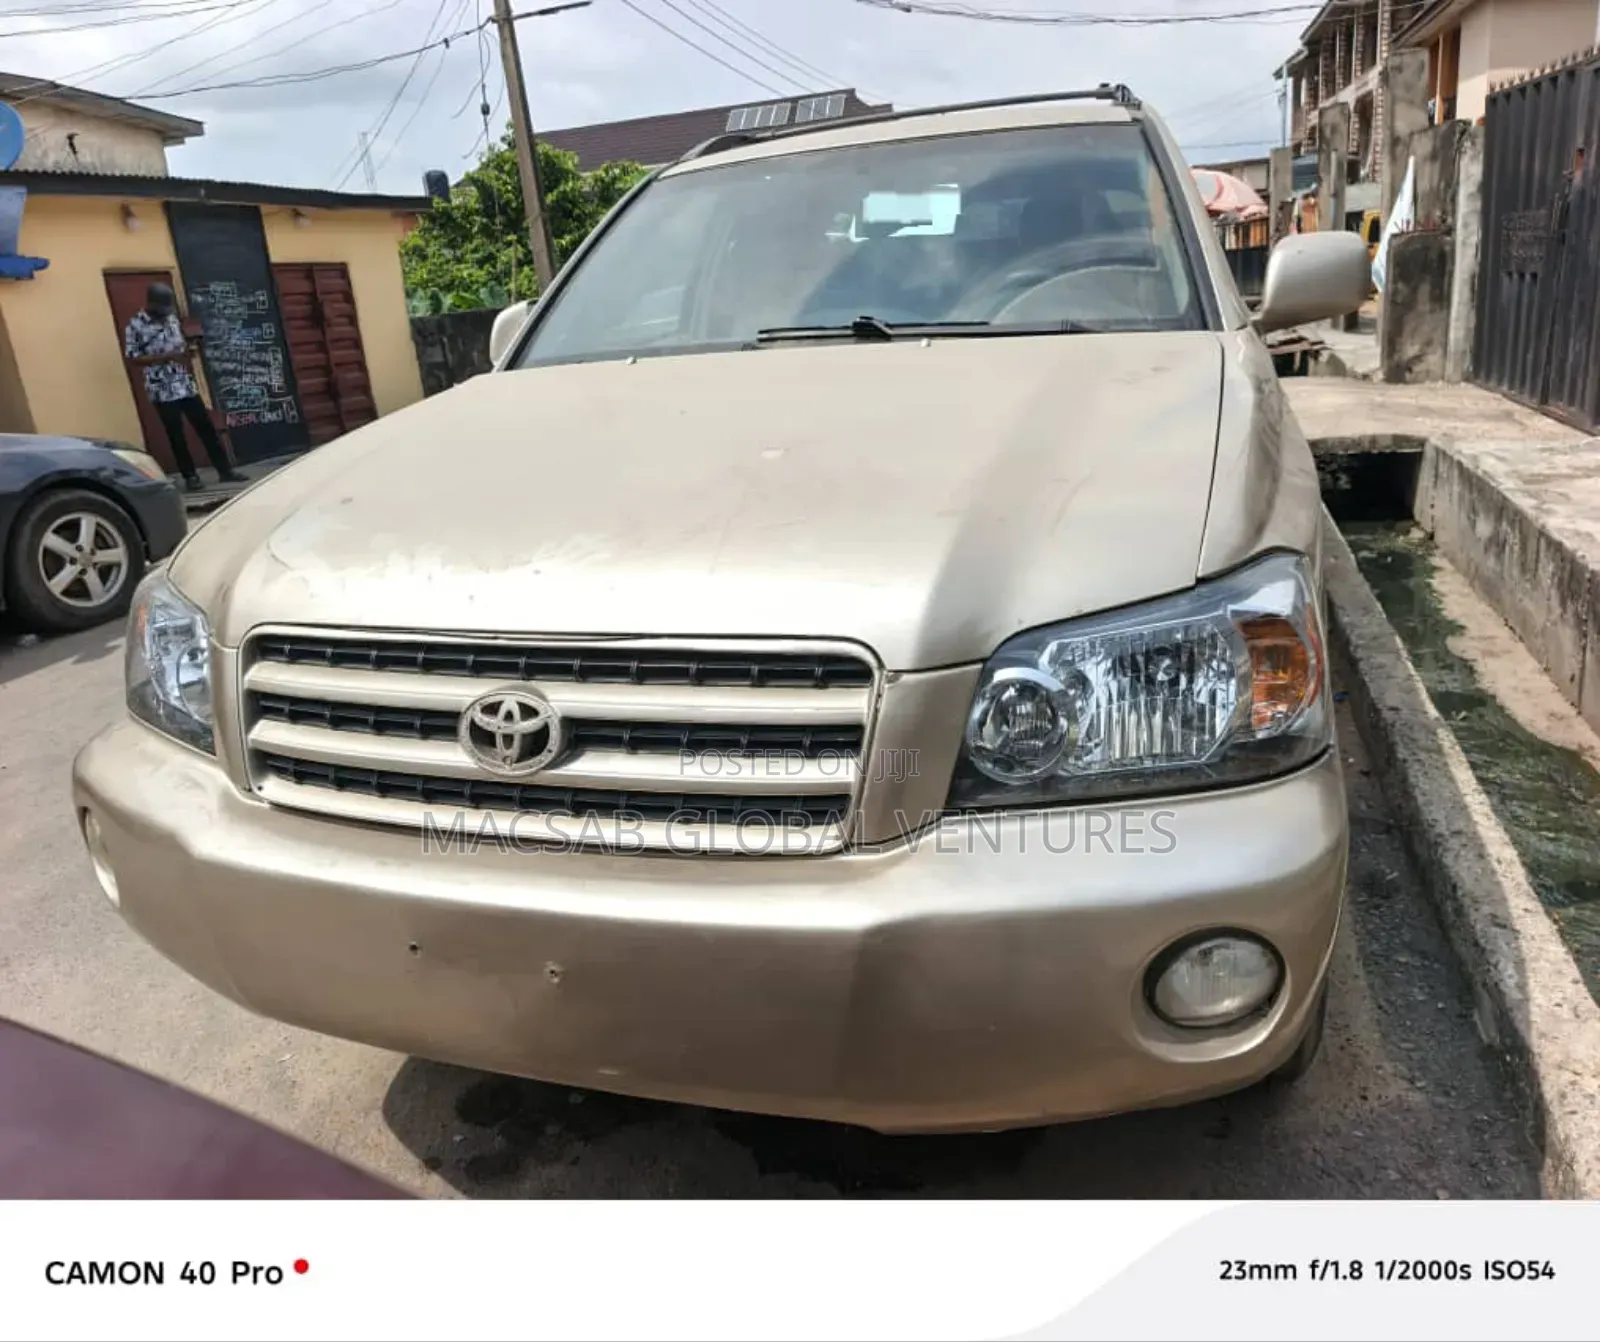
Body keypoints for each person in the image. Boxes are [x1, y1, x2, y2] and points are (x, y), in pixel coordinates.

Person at [123, 282, 244, 490]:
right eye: (161, 310)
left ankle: (225, 471)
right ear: (150, 303)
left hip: (184, 383)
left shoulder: (171, 319)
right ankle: (191, 477)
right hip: (161, 388)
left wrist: (188, 352)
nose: (164, 314)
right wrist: (167, 357)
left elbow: (178, 343)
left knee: (205, 427)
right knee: (176, 434)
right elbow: (133, 358)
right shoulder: (135, 325)